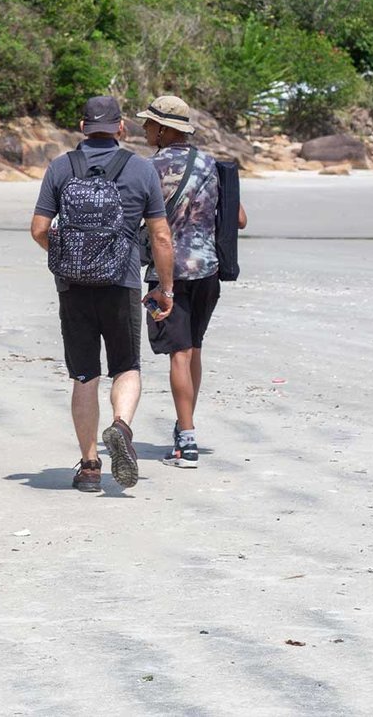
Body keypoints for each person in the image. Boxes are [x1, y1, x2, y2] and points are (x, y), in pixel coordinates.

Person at [29, 96, 174, 493]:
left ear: (82, 127)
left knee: (84, 375)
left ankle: (90, 466)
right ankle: (121, 427)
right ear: (121, 128)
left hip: (73, 287)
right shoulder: (141, 169)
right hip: (121, 282)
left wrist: (67, 258)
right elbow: (161, 236)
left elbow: (39, 229)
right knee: (126, 366)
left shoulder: (61, 167)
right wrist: (165, 287)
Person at [136, 95, 247, 468]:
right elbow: (239, 219)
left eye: (150, 123)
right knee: (193, 350)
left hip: (169, 274)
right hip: (208, 271)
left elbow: (135, 218)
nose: (145, 128)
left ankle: (186, 441)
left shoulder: (148, 169)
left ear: (164, 130)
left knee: (179, 355)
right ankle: (186, 425)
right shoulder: (211, 165)